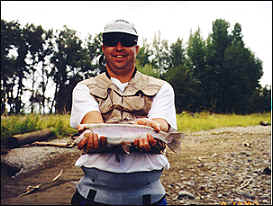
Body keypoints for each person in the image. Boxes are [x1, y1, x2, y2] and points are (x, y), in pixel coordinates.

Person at [70, 19, 178, 205]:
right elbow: (93, 123)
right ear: (103, 48)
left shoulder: (162, 87)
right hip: (93, 196)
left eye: (126, 41)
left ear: (136, 48)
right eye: (112, 41)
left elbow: (161, 122)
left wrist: (155, 128)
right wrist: (90, 138)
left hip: (149, 197)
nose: (119, 47)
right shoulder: (84, 88)